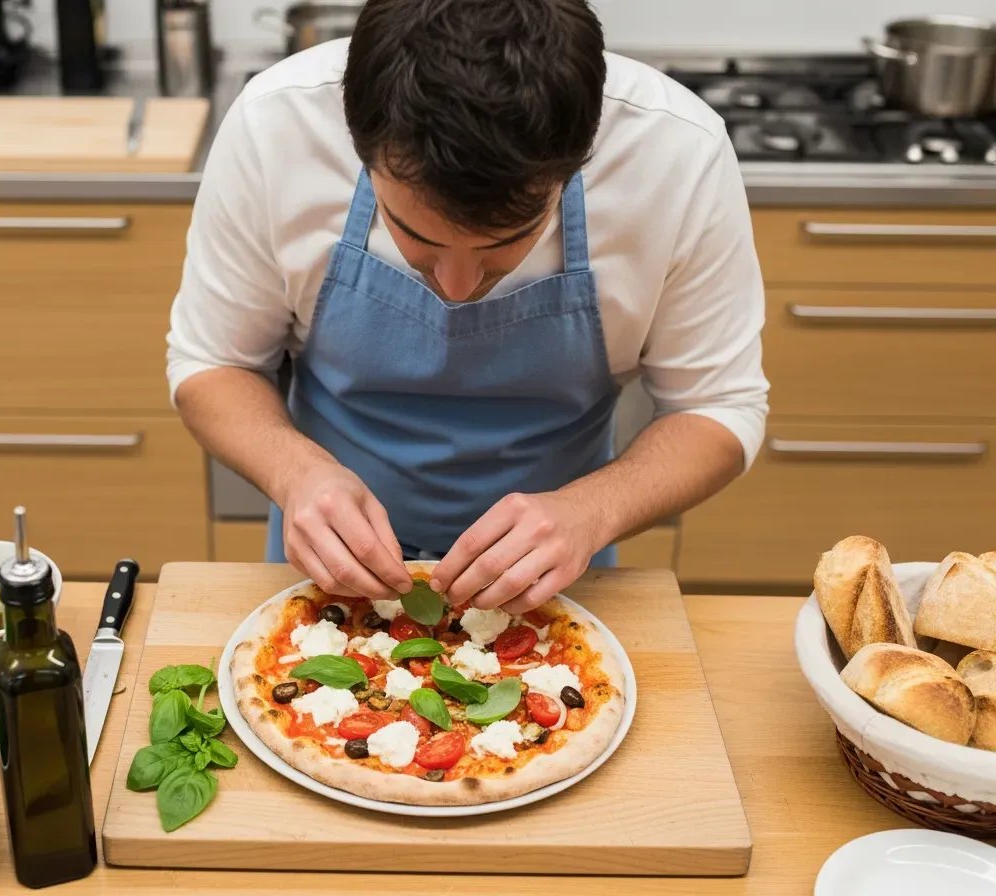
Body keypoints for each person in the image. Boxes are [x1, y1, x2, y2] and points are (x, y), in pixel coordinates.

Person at [166, 0, 768, 613]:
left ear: (581, 152)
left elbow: (717, 406)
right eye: (418, 238)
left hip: (552, 585)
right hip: (327, 578)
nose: (455, 287)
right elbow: (213, 363)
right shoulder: (279, 123)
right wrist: (295, 475)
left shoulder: (676, 153)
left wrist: (591, 511)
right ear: (359, 143)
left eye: (503, 244)